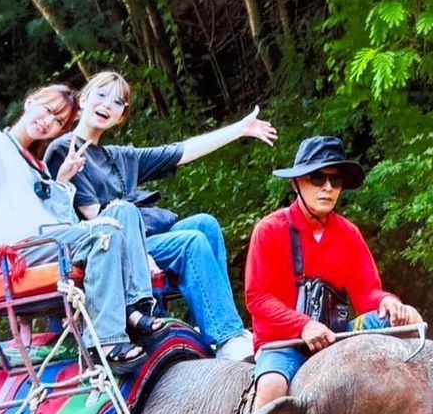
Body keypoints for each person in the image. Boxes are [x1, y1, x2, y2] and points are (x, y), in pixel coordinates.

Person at [0, 23, 170, 373]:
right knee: (104, 232)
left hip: (48, 240)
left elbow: (56, 220)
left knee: (123, 212)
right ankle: (108, 339)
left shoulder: (35, 166)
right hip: (21, 251)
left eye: (58, 120)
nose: (48, 122)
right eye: (46, 110)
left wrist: (61, 181)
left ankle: (136, 308)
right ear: (29, 103)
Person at [46, 71, 277, 361]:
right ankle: (226, 337)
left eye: (118, 102)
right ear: (84, 99)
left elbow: (181, 151)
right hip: (109, 250)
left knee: (204, 224)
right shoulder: (63, 150)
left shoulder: (118, 156)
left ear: (121, 117)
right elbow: (98, 217)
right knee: (190, 242)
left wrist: (239, 129)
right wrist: (142, 254)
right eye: (101, 95)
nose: (107, 104)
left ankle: (221, 328)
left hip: (141, 237)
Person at [244, 135, 424, 409]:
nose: (327, 188)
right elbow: (257, 298)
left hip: (338, 335)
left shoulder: (349, 233)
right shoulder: (269, 230)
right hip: (283, 342)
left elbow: (367, 293)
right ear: (296, 183)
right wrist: (303, 325)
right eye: (317, 178)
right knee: (272, 386)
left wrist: (388, 302)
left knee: (409, 317)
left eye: (335, 180)